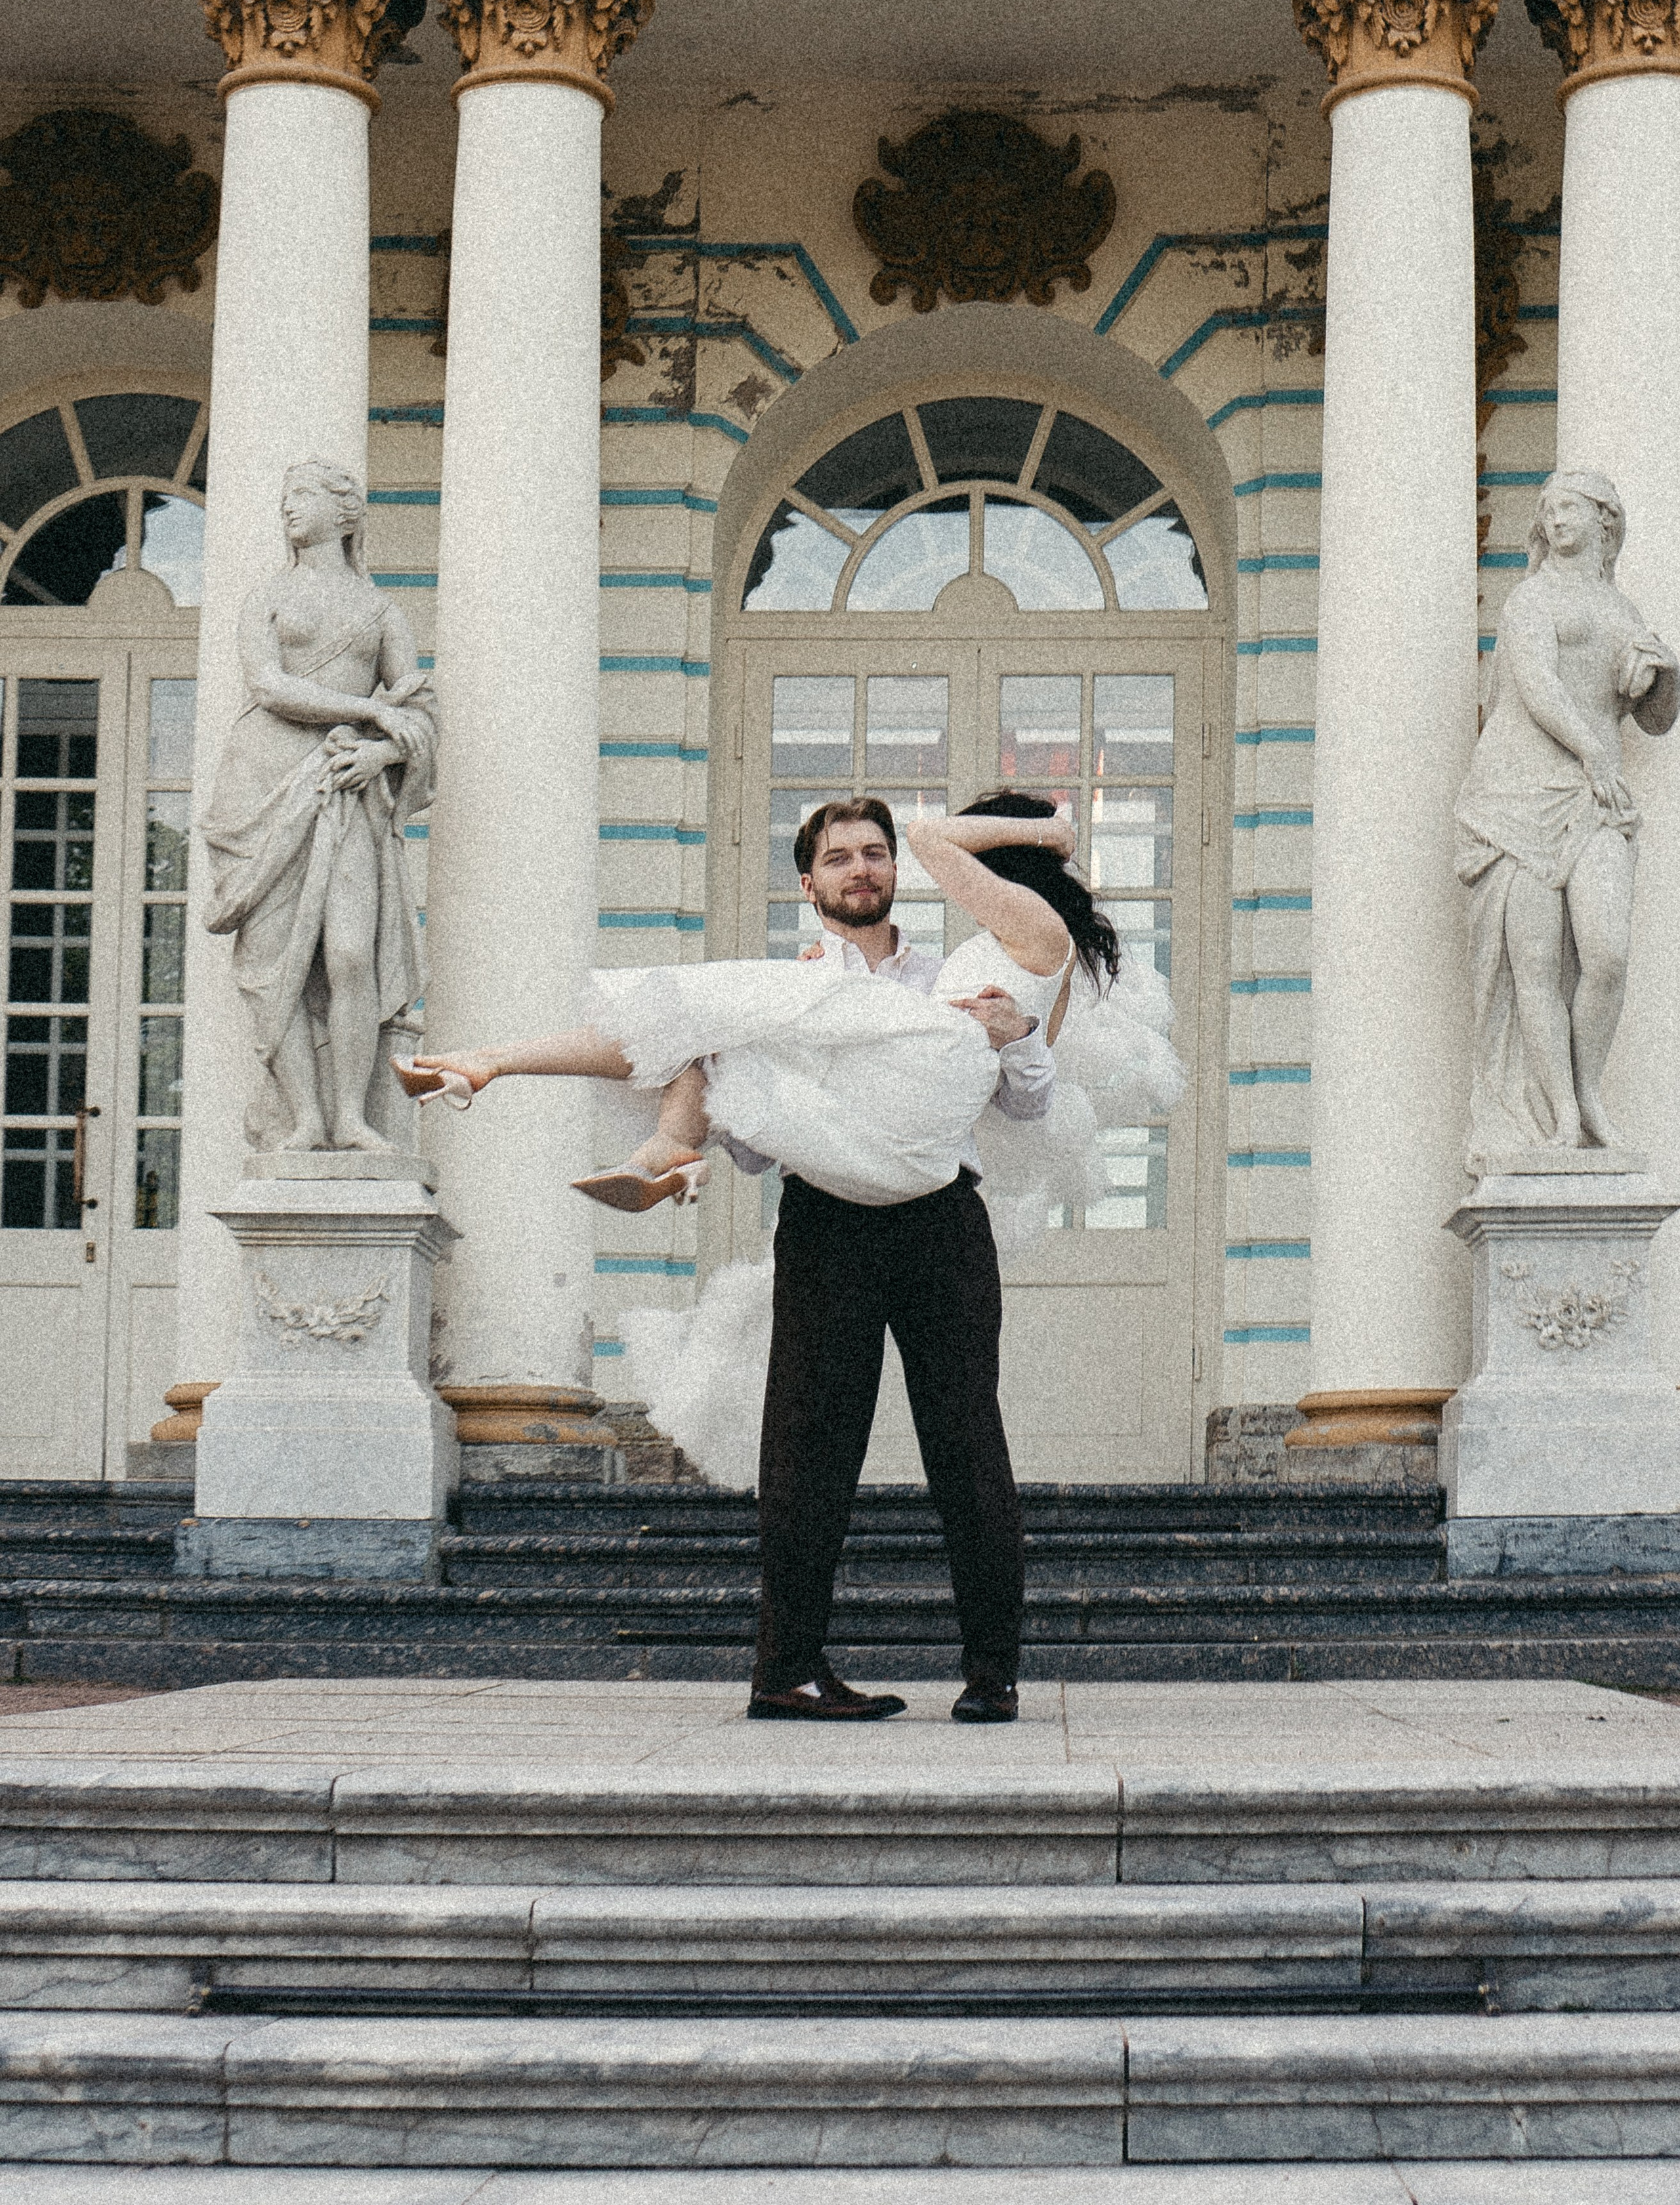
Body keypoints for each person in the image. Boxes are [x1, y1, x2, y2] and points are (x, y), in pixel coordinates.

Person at [398, 792, 1179, 1725]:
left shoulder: (957, 969)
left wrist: (1015, 1040)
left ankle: (992, 1672)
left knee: (967, 1442)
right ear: (809, 885)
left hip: (939, 1220)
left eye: (874, 854)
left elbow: (1024, 1110)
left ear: (898, 871)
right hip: (827, 1218)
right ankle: (788, 1670)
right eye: (840, 858)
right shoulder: (797, 981)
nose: (861, 869)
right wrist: (755, 1105)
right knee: (808, 1447)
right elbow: (765, 1142)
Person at [203, 460, 436, 1153]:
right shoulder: (266, 599)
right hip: (262, 785)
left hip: (345, 788)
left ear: (346, 514)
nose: (288, 508)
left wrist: (381, 756)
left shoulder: (381, 612)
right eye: (284, 498)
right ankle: (306, 1118)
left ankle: (352, 1117)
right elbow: (268, 686)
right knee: (277, 965)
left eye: (302, 496)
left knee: (351, 955)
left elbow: (421, 715)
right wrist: (369, 711)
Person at [1456, 470, 1677, 1154]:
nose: (1555, 519)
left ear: (1604, 520)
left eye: (1570, 508)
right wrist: (1593, 754)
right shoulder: (1531, 598)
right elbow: (1537, 685)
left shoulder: (1622, 610)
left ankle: (1589, 1095)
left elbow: (1655, 720)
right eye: (1548, 509)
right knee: (1535, 964)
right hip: (1519, 792)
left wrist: (1665, 678)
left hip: (1593, 796)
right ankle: (1560, 1115)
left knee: (1606, 953)